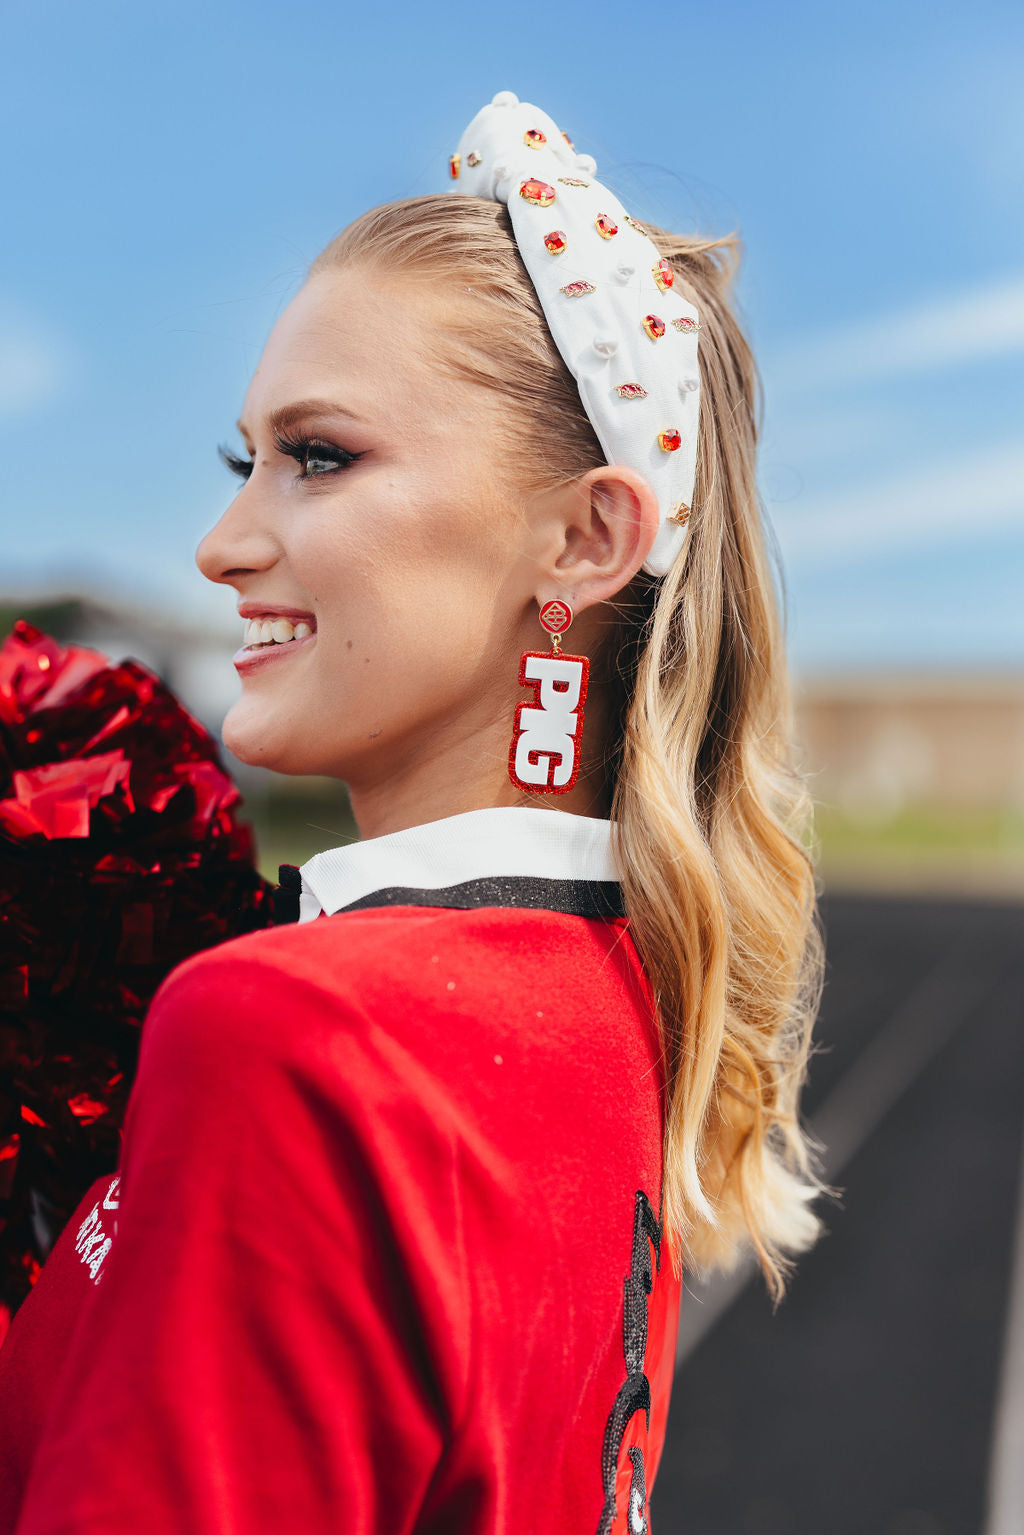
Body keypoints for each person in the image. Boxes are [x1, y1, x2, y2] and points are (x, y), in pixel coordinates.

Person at [0, 92, 831, 1533]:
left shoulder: (293, 1038)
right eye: (239, 459)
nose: (224, 543)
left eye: (319, 457)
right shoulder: (623, 1002)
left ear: (584, 537)